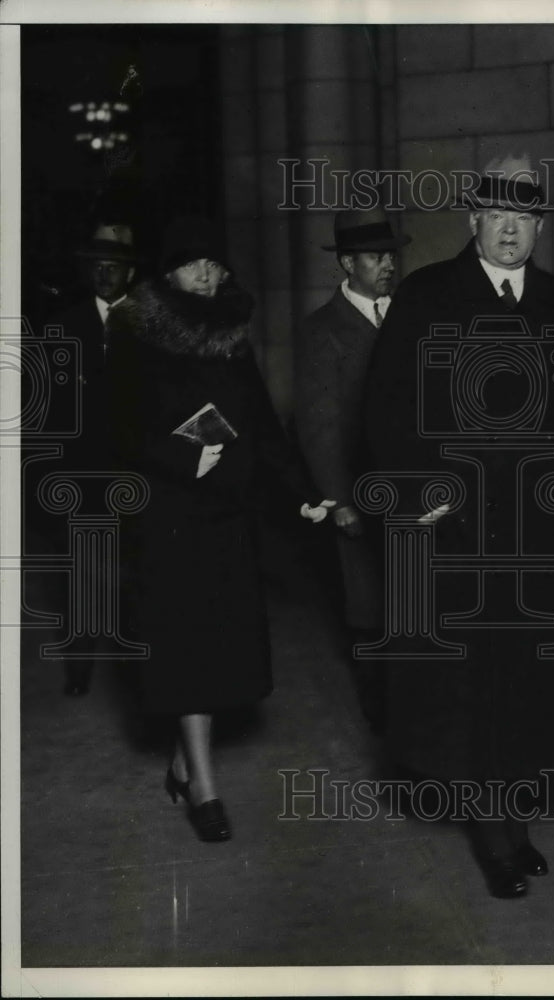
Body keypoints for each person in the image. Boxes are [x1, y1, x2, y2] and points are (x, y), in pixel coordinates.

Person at [365, 154, 554, 898]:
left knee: (526, 682)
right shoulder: (429, 297)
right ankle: (493, 830)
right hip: (457, 531)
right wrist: (421, 496)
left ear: (540, 225)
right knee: (471, 686)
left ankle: (515, 814)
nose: (509, 229)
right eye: (496, 215)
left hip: (535, 532)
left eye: (523, 217)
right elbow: (385, 413)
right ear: (472, 222)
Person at [106, 216, 329, 842]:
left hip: (226, 514)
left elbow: (257, 419)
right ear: (167, 271)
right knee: (184, 649)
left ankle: (184, 763)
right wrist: (185, 458)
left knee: (219, 648)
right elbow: (119, 423)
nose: (206, 274)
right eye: (192, 262)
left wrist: (304, 495)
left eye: (213, 263)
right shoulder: (135, 328)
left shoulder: (230, 328)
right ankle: (203, 787)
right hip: (167, 510)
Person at [295, 207, 411, 732]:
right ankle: (381, 716)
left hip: (411, 492)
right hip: (359, 495)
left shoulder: (411, 314)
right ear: (347, 263)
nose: (387, 264)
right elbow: (318, 426)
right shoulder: (323, 331)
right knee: (368, 609)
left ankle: (414, 711)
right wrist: (338, 500)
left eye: (390, 255)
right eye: (374, 256)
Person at [45, 222, 139, 696]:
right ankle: (80, 664)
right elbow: (47, 409)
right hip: (82, 472)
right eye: (98, 266)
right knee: (82, 572)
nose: (105, 274)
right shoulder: (62, 325)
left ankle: (142, 665)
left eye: (114, 266)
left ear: (130, 271)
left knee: (139, 568)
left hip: (139, 471)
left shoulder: (150, 322)